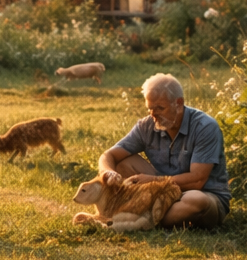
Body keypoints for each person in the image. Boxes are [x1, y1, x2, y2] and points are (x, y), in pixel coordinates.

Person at [97, 72, 231, 228]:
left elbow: (197, 180)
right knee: (122, 163)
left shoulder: (205, 127)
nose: (154, 115)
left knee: (196, 200)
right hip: (161, 194)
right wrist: (108, 173)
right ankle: (141, 218)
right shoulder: (146, 125)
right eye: (150, 109)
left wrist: (154, 181)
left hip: (200, 194)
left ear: (178, 103)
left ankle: (137, 219)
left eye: (160, 108)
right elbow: (108, 155)